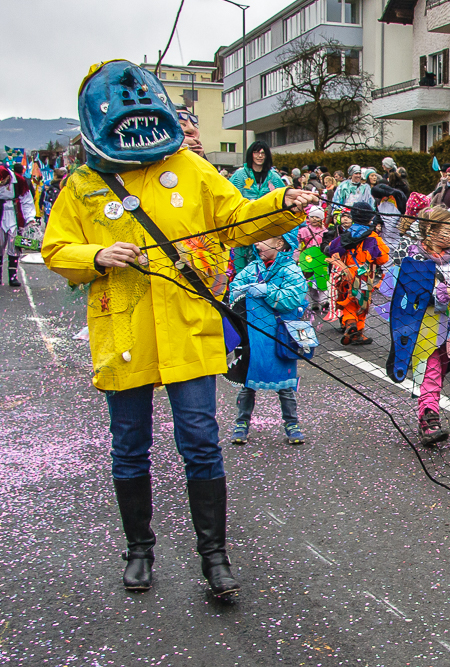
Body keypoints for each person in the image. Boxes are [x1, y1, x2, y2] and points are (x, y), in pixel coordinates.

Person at [42, 59, 317, 597]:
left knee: (200, 441)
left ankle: (214, 556)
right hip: (125, 336)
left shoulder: (192, 170)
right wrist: (97, 253)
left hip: (188, 328)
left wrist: (284, 204)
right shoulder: (83, 184)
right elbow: (55, 249)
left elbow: (238, 217)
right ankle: (139, 550)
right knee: (129, 445)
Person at [407, 207, 450, 445]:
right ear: (430, 229)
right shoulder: (415, 256)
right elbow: (408, 293)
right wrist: (437, 292)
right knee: (431, 369)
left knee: (440, 370)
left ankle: (428, 415)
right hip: (424, 325)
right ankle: (429, 419)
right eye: (448, 230)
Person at [230, 236, 308, 446]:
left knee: (285, 384)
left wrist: (268, 291)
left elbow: (295, 298)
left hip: (280, 336)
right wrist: (241, 291)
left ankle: (292, 425)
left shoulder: (291, 269)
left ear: (280, 244)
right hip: (253, 335)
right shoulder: (253, 267)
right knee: (248, 381)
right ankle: (241, 423)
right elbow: (234, 287)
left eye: (263, 240)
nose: (257, 245)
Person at [324, 202, 392, 345]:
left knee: (348, 300)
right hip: (364, 274)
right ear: (371, 218)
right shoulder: (373, 237)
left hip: (346, 273)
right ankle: (358, 333)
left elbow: (330, 249)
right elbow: (383, 258)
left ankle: (349, 324)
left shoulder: (347, 235)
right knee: (362, 303)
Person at [229, 140, 288, 276]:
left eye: (263, 153)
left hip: (266, 229)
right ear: (251, 154)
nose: (260, 156)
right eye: (256, 152)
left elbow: (283, 198)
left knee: (265, 267)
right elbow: (229, 197)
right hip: (244, 228)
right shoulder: (239, 175)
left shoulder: (273, 177)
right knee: (241, 268)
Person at [0, 164, 36, 287]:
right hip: (1, 213)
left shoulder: (19, 181)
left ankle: (13, 276)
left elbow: (27, 200)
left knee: (14, 246)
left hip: (14, 215)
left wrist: (30, 218)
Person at [297, 205, 330, 318]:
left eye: (317, 217)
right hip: (308, 259)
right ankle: (315, 301)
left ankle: (324, 301)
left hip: (321, 258)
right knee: (310, 282)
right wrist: (296, 257)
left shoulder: (325, 231)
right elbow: (298, 245)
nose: (314, 219)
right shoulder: (303, 231)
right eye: (312, 216)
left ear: (321, 219)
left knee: (322, 279)